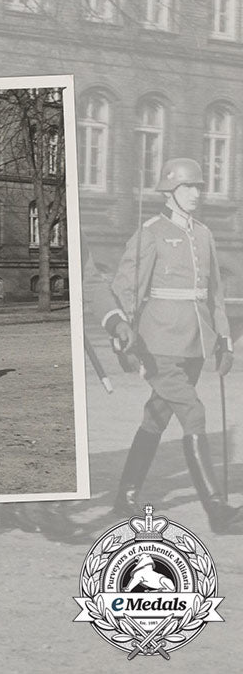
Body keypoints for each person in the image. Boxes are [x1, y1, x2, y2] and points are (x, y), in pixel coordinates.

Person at [109, 157, 242, 534]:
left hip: (196, 342)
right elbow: (126, 288)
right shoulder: (151, 231)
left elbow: (214, 293)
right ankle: (217, 510)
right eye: (188, 187)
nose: (196, 193)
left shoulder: (205, 234)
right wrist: (124, 336)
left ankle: (126, 495)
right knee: (194, 413)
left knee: (156, 416)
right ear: (170, 191)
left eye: (199, 187)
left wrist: (224, 340)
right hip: (159, 343)